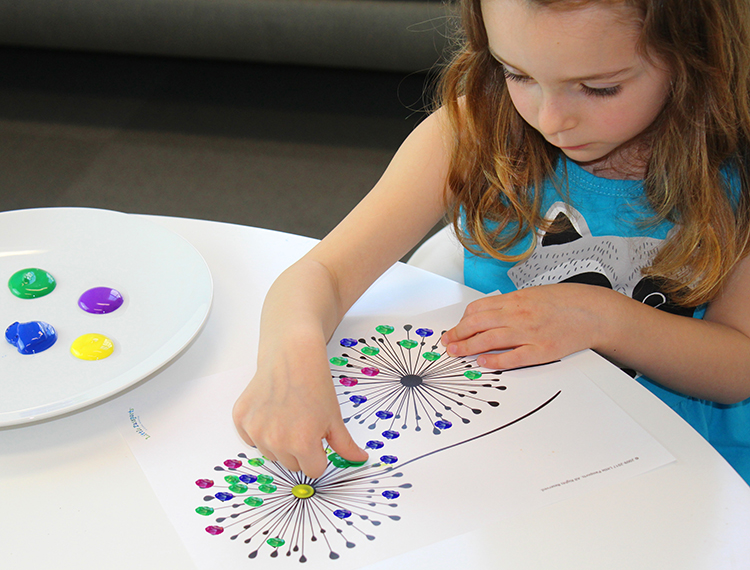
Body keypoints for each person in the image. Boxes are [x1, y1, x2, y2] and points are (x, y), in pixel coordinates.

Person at [233, 0, 750, 484]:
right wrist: (292, 354)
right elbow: (319, 275)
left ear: (695, 53)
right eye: (517, 74)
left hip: (691, 461)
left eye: (599, 88)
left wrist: (602, 317)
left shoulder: (736, 175)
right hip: (507, 450)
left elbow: (738, 366)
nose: (550, 120)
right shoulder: (470, 132)